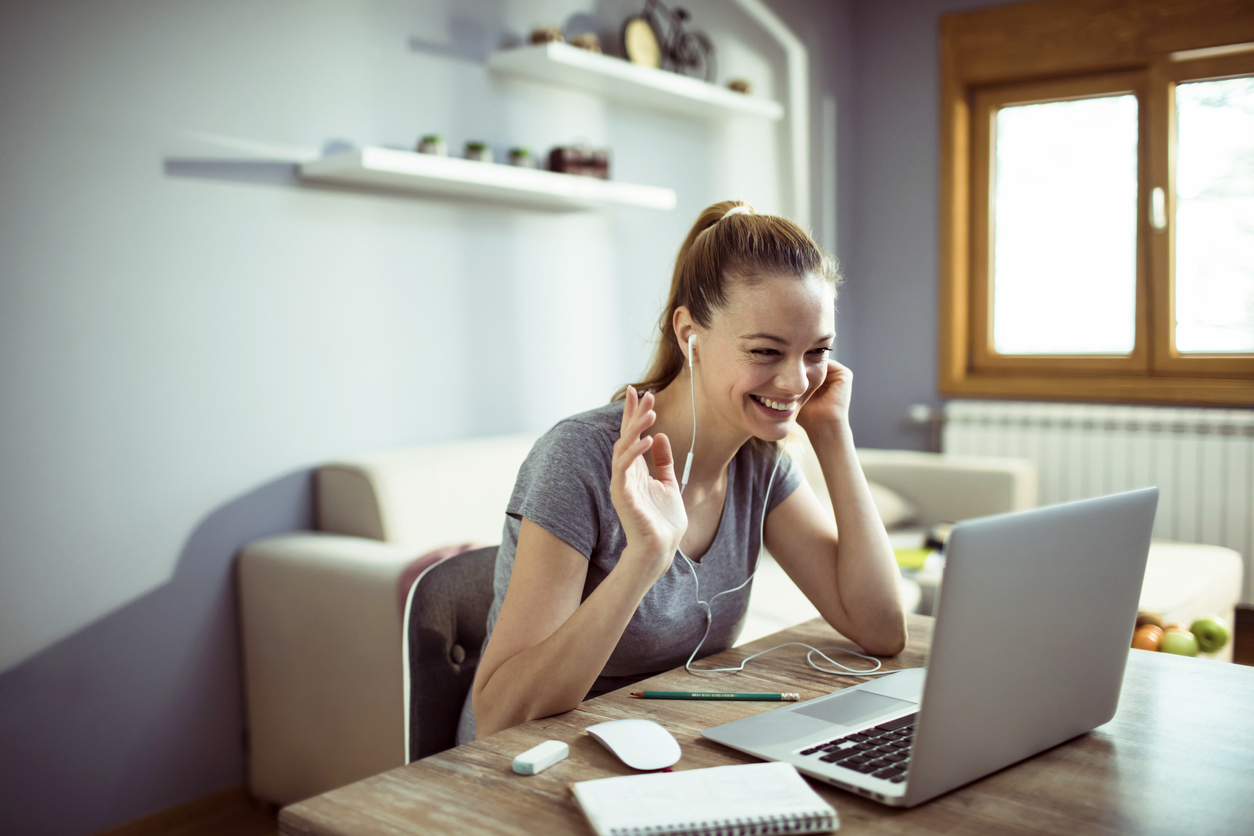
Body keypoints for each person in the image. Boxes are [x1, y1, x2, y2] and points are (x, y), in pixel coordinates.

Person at [460, 200, 907, 743]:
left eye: (818, 351)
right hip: (531, 764)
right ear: (688, 333)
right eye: (766, 351)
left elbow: (881, 628)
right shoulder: (578, 457)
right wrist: (644, 558)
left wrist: (833, 435)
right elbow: (500, 715)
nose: (795, 382)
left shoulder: (760, 464)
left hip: (663, 745)